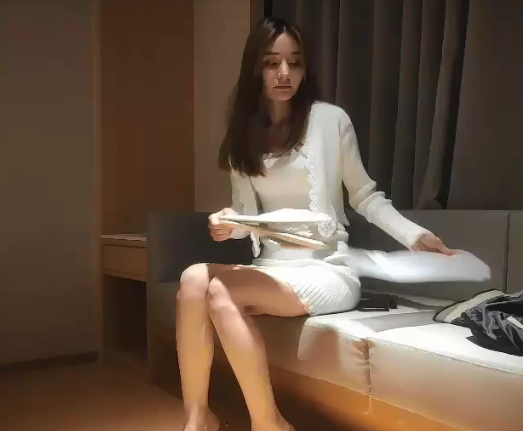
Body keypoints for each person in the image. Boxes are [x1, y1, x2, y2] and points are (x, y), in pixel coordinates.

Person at [176, 16, 453, 431]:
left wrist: (414, 235)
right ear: (256, 68)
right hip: (272, 268)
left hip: (328, 269)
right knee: (192, 278)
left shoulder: (330, 120)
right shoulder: (243, 137)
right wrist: (227, 223)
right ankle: (198, 418)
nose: (284, 72)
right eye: (272, 63)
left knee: (221, 290)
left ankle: (269, 423)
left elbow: (365, 196)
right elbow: (247, 218)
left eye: (295, 62)